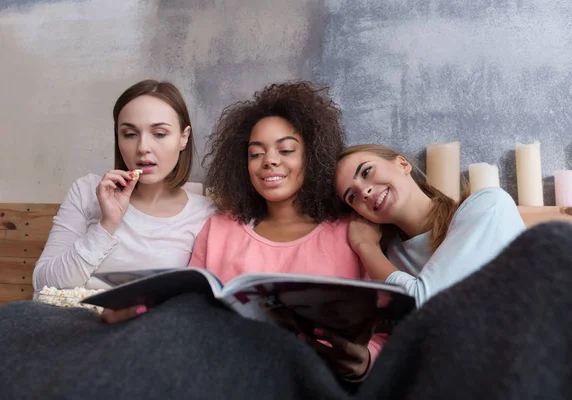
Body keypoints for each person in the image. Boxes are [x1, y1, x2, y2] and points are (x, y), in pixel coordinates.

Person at [103, 81, 385, 383]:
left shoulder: (352, 232)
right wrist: (129, 315)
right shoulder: (220, 228)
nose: (270, 161)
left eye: (286, 149)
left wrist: (366, 360)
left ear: (313, 155)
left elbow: (385, 327)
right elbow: (188, 311)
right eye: (255, 154)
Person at [32, 80, 215, 291]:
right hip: (72, 318)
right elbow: (43, 285)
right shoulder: (86, 191)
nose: (143, 147)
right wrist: (107, 225)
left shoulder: (205, 214)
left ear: (183, 138)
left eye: (159, 134)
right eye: (130, 134)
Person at [334, 144, 526, 306]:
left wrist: (365, 246)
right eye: (352, 196)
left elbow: (425, 303)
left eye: (366, 171)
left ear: (403, 164)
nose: (364, 192)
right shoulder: (392, 260)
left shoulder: (488, 205)